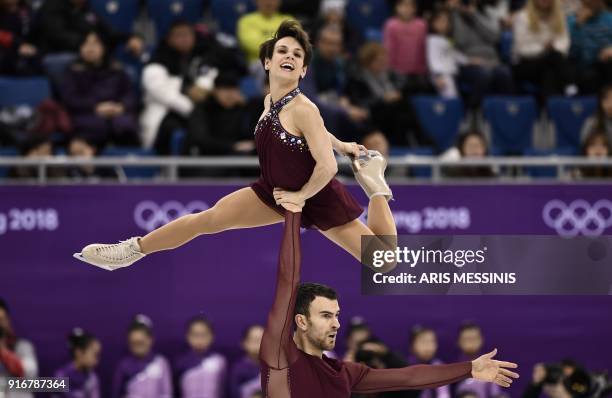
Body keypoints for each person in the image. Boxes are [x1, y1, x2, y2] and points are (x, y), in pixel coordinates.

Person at [75, 20, 397, 275]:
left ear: (303, 71)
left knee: (383, 262)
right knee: (207, 219)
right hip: (274, 192)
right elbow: (313, 134)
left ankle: (377, 186)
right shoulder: (271, 100)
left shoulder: (305, 108)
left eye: (297, 55)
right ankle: (129, 252)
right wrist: (341, 144)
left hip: (316, 195)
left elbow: (326, 167)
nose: (289, 56)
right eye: (282, 51)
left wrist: (301, 196)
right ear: (267, 62)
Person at [258, 210, 519, 397]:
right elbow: (287, 278)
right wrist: (293, 213)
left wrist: (470, 368)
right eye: (326, 315)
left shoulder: (344, 373)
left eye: (337, 315)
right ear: (301, 320)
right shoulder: (280, 356)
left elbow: (409, 377)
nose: (336, 323)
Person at [58, 31, 139, 149]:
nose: (90, 48)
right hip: (86, 113)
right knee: (95, 127)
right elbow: (70, 99)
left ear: (104, 47)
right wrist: (95, 107)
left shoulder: (116, 69)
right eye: (86, 44)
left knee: (126, 125)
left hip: (115, 112)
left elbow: (130, 95)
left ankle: (130, 163)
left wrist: (121, 106)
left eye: (95, 44)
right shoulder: (73, 71)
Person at [512, 0, 573, 98]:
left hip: (551, 61)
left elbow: (564, 41)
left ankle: (549, 106)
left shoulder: (559, 16)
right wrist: (543, 48)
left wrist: (553, 48)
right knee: (552, 59)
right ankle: (570, 85)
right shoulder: (522, 17)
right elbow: (521, 48)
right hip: (526, 62)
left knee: (550, 71)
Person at [112, 315, 172, 398]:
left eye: (141, 343)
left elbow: (166, 393)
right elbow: (117, 393)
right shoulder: (124, 365)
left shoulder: (161, 362)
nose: (138, 348)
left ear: (150, 339)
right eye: (134, 344)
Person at [174, 316, 227, 398]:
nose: (199, 339)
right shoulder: (180, 362)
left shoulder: (220, 361)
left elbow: (223, 391)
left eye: (204, 335)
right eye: (195, 335)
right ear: (187, 336)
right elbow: (176, 392)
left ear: (212, 336)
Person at [567, 0, 612, 94]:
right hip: (583, 67)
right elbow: (573, 53)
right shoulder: (572, 21)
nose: (590, 2)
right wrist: (579, 25)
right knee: (589, 75)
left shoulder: (610, 19)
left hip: (607, 64)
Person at [427, 6, 469, 98]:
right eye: (440, 21)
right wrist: (437, 76)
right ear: (433, 22)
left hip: (451, 73)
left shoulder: (448, 39)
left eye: (446, 21)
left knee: (455, 98)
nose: (443, 24)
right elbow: (431, 60)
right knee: (451, 99)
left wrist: (469, 60)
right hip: (442, 75)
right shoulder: (431, 40)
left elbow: (454, 54)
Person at [455, 322, 506, 398]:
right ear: (459, 341)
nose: (471, 343)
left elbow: (496, 393)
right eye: (467, 339)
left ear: (481, 340)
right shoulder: (453, 366)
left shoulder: (489, 364)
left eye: (474, 338)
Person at [53, 328, 101, 398]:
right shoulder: (60, 376)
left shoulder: (92, 379)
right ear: (79, 353)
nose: (96, 361)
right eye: (95, 355)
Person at [408, 325, 450, 398]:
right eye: (423, 342)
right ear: (412, 346)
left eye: (431, 341)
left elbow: (444, 394)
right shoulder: (405, 366)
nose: (428, 346)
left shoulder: (439, 367)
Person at [230, 325, 264, 398]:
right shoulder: (237, 368)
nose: (259, 344)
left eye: (262, 340)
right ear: (243, 343)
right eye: (255, 340)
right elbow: (233, 393)